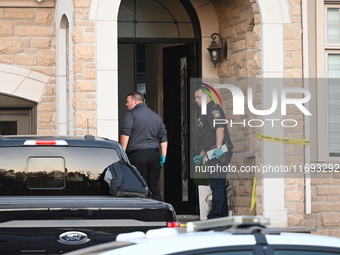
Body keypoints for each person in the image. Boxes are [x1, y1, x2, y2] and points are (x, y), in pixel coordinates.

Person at [120, 91, 168, 201]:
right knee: (153, 186)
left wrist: (122, 153)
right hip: (155, 155)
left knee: (140, 187)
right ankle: (158, 212)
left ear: (135, 101)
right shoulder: (156, 116)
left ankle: (143, 213)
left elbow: (125, 133)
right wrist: (163, 155)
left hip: (138, 155)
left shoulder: (131, 114)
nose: (126, 104)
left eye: (128, 102)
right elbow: (163, 136)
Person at [193, 87, 233, 219]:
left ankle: (216, 215)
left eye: (198, 97)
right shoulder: (205, 113)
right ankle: (221, 215)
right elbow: (208, 137)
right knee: (218, 183)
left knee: (217, 183)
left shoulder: (214, 110)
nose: (196, 100)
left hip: (219, 152)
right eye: (196, 98)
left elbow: (219, 129)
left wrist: (218, 148)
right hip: (213, 152)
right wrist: (201, 155)